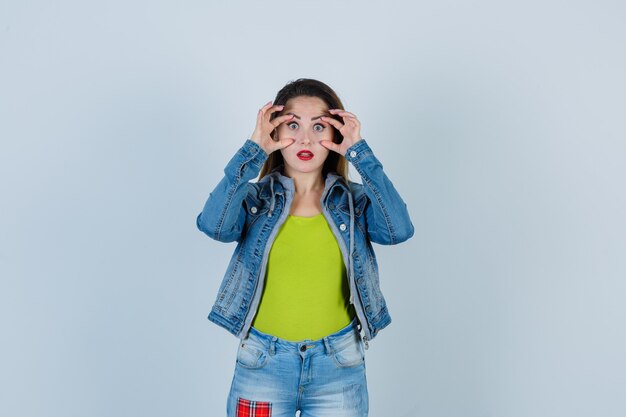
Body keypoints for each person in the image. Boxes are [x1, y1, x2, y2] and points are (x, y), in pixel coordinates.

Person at [196, 78, 414, 417]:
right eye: (292, 125)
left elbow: (397, 231)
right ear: (274, 132)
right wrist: (253, 148)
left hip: (338, 365)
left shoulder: (353, 203)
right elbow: (214, 226)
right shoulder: (256, 201)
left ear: (336, 135)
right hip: (262, 363)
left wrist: (361, 153)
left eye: (319, 127)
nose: (305, 139)